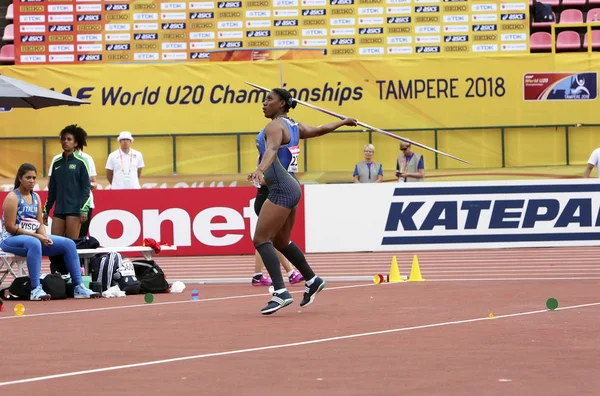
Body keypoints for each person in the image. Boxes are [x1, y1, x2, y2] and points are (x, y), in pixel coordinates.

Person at [248, 88, 357, 315]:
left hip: (281, 188)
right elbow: (318, 130)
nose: (264, 103)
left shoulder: (274, 126)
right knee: (282, 242)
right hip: (292, 187)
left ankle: (280, 292)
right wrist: (342, 122)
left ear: (281, 104)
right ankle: (312, 280)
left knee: (261, 239)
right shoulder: (294, 126)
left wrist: (259, 169)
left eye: (269, 99)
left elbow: (272, 149)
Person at [0, 164, 99, 300]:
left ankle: (78, 287)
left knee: (69, 244)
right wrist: (37, 236)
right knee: (34, 242)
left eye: (34, 178)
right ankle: (35, 289)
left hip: (32, 239)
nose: (32, 181)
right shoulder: (12, 197)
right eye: (28, 177)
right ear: (20, 178)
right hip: (10, 239)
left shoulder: (36, 197)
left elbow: (40, 223)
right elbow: (10, 227)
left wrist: (44, 236)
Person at [43, 125, 92, 240]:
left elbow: (86, 188)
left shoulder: (82, 162)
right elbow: (53, 189)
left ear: (75, 143)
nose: (65, 141)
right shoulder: (57, 163)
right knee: (54, 244)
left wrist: (84, 210)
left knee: (71, 245)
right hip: (59, 210)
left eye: (69, 139)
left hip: (75, 210)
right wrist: (46, 210)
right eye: (63, 139)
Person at [252, 181, 303, 286]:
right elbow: (261, 180)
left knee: (267, 239)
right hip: (267, 200)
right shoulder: (267, 166)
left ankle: (258, 275)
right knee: (271, 239)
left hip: (273, 200)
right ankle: (290, 272)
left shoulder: (273, 166)